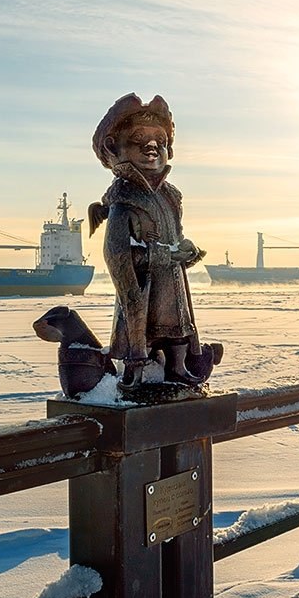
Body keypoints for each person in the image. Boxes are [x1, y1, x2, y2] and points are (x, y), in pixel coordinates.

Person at [89, 93, 206, 388]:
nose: (152, 146)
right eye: (138, 139)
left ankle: (177, 368)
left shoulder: (171, 196)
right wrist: (162, 255)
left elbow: (175, 236)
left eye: (160, 140)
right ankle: (137, 369)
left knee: (178, 326)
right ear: (113, 148)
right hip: (145, 288)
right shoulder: (124, 201)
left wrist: (186, 252)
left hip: (171, 283)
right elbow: (117, 256)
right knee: (147, 330)